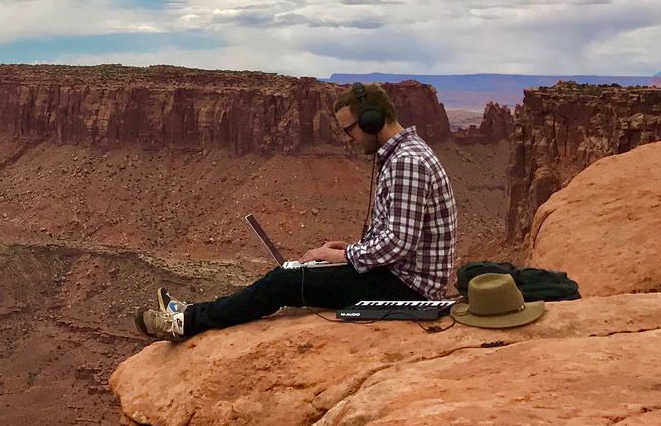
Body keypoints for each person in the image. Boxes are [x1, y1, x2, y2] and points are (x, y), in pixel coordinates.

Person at [136, 82, 458, 341]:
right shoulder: (405, 154)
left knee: (286, 281)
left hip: (406, 289)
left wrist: (344, 258)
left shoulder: (407, 163)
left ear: (372, 120)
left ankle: (185, 322)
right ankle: (190, 313)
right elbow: (397, 237)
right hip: (398, 276)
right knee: (295, 272)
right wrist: (350, 250)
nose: (349, 140)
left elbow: (399, 244)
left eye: (350, 130)